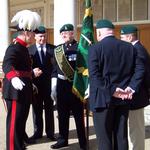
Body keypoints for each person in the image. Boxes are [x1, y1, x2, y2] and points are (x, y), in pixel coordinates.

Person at [88, 19, 145, 150]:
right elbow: (140, 69)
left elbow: (94, 76)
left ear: (99, 33)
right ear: (112, 32)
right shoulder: (129, 47)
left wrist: (112, 90)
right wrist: (131, 88)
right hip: (123, 99)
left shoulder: (95, 48)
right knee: (121, 137)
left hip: (102, 101)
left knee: (105, 140)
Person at [2, 10, 41, 150]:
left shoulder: (24, 48)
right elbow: (7, 64)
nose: (34, 36)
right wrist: (13, 78)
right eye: (33, 33)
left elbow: (23, 69)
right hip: (14, 91)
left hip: (23, 91)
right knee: (14, 124)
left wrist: (30, 76)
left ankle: (20, 146)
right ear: (27, 32)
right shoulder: (14, 47)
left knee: (20, 123)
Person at [50, 24, 87, 150]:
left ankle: (83, 142)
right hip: (61, 86)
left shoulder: (80, 48)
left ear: (73, 34)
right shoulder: (57, 50)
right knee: (62, 115)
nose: (65, 35)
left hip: (75, 86)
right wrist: (53, 85)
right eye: (62, 33)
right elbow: (54, 69)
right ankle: (62, 140)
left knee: (78, 116)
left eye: (68, 33)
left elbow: (84, 69)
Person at [120, 25, 150, 150]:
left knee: (136, 129)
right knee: (132, 128)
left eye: (122, 37)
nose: (120, 39)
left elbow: (141, 72)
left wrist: (131, 88)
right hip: (134, 96)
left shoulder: (138, 50)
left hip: (137, 96)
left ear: (130, 36)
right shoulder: (134, 49)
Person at [28, 26, 56, 141]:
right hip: (36, 86)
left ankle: (50, 133)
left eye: (44, 36)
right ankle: (37, 132)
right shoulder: (29, 50)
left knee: (49, 109)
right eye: (40, 36)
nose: (42, 38)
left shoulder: (53, 49)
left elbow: (55, 67)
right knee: (36, 109)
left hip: (49, 85)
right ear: (35, 37)